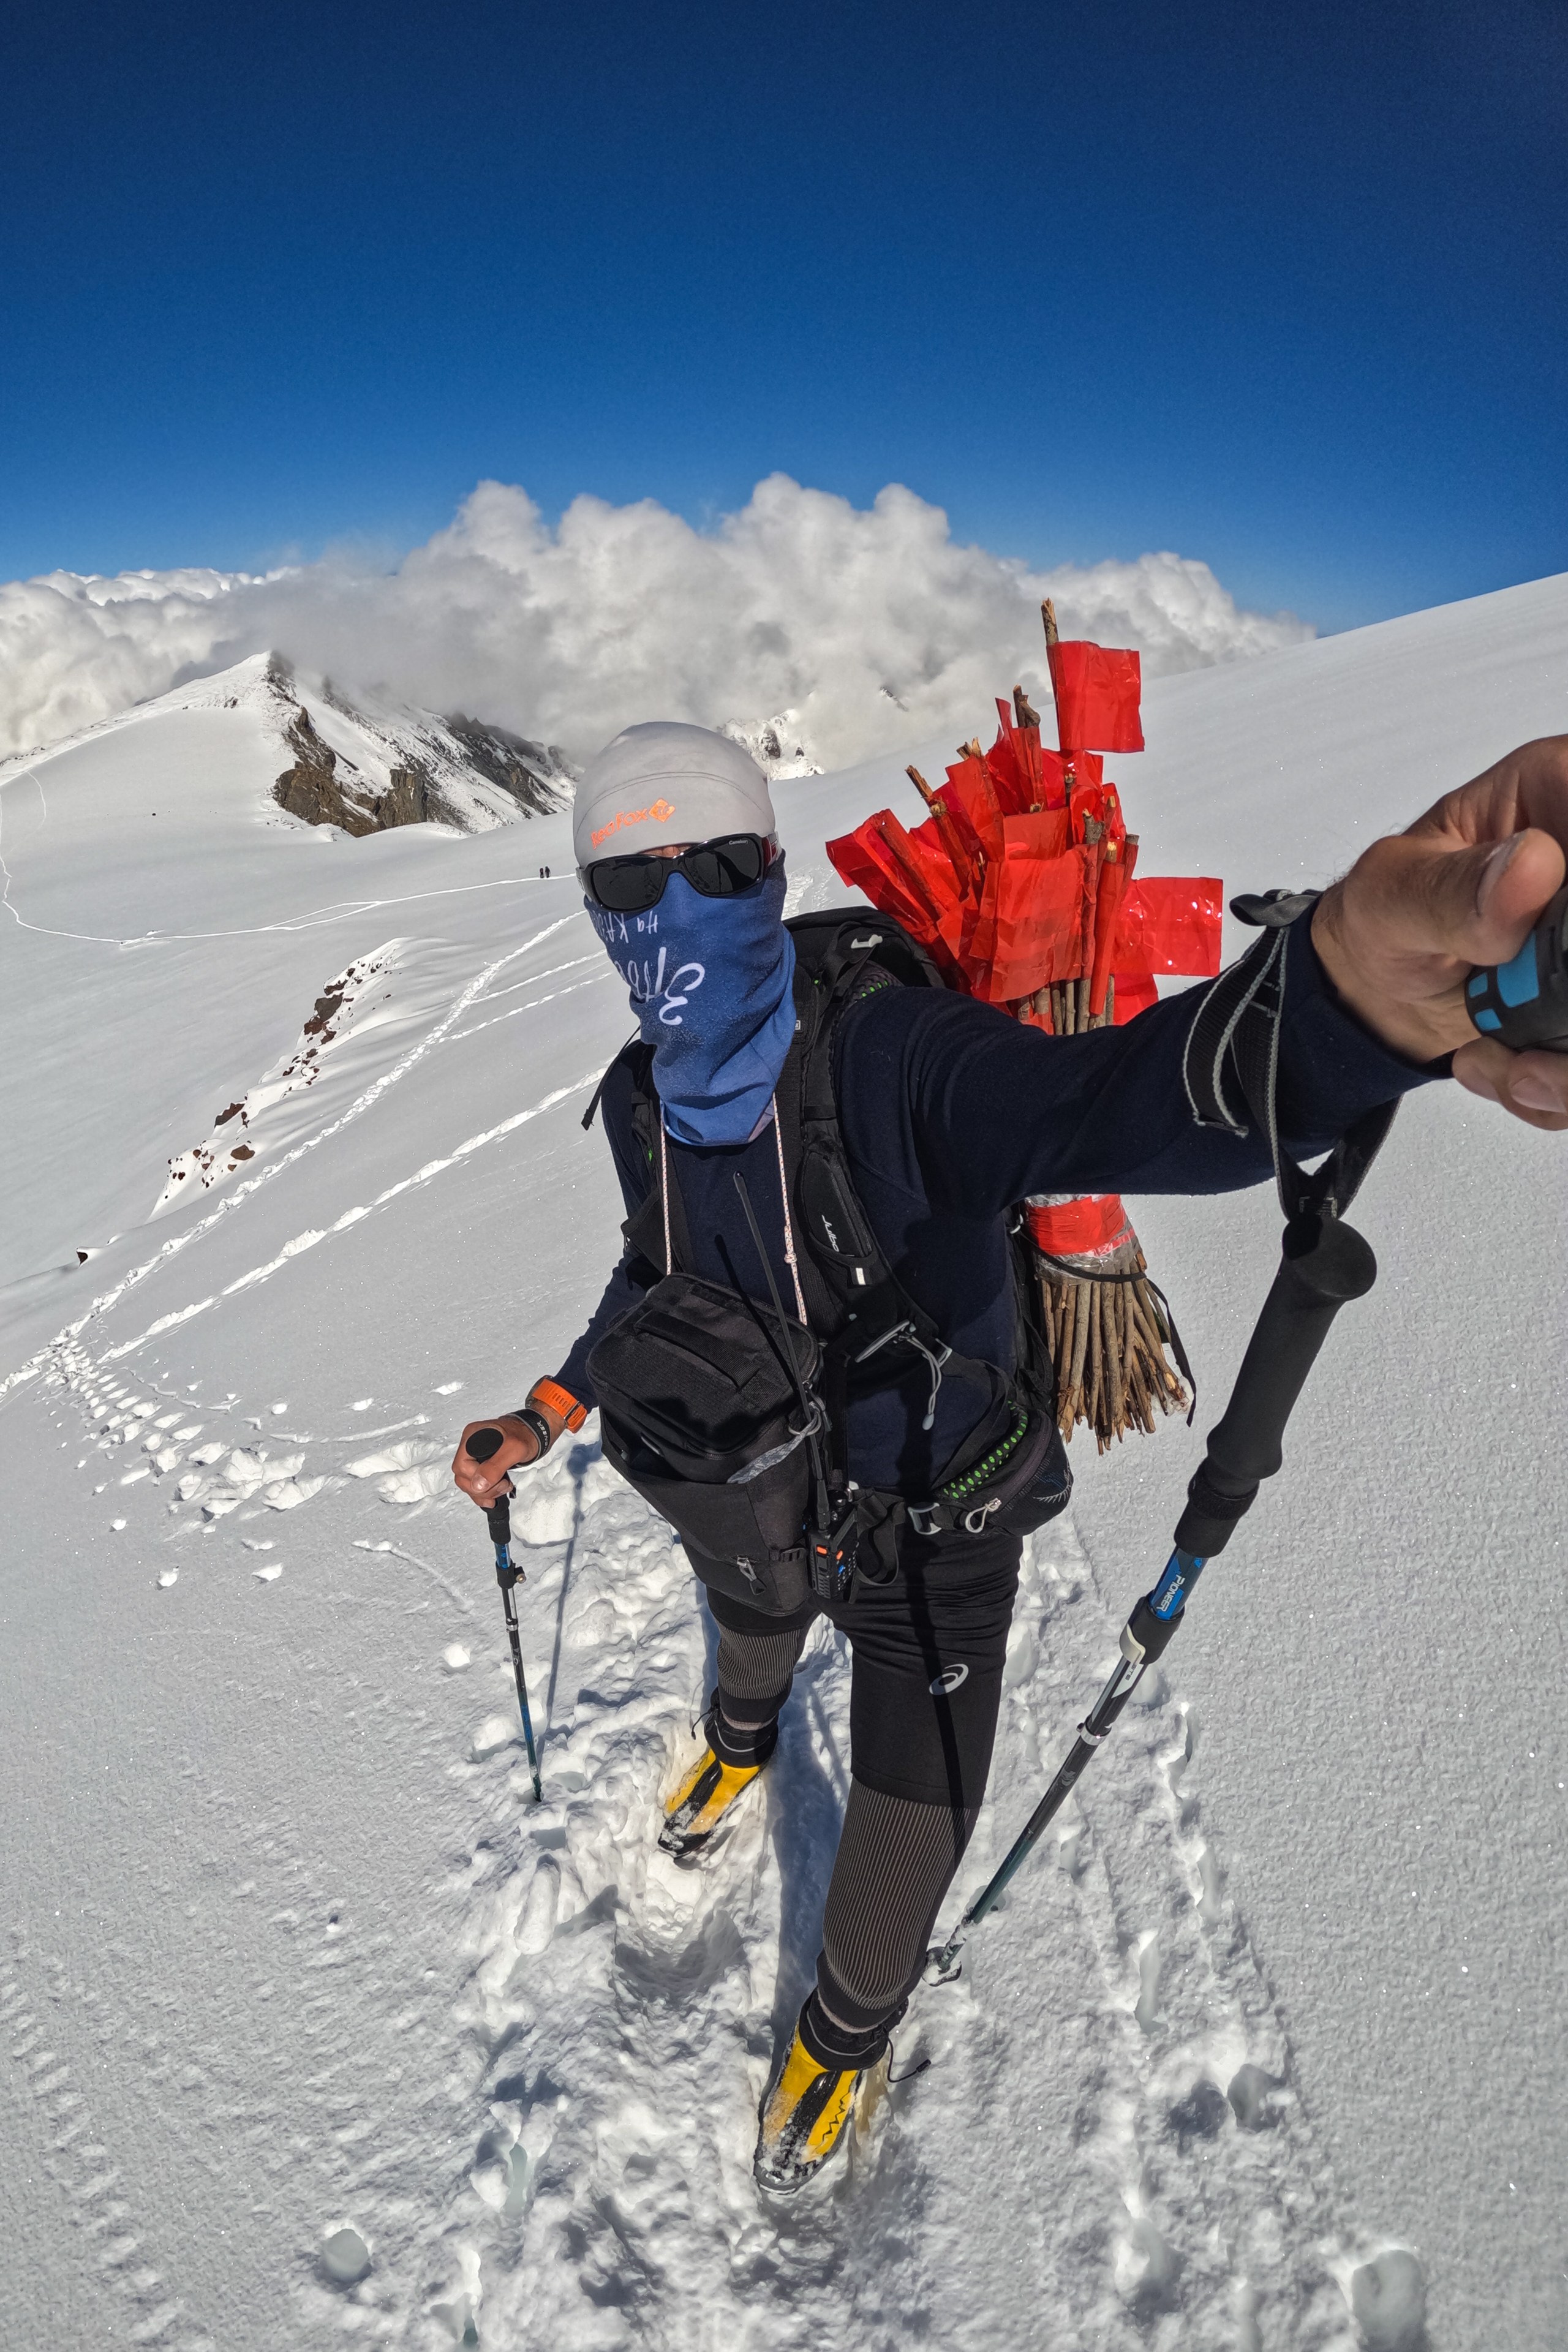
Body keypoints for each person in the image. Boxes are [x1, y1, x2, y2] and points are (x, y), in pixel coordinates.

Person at [453, 720, 1568, 2193]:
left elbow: (1109, 1100)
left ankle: (841, 2036)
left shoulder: (895, 1057)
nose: (675, 909)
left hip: (937, 1520)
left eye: (714, 864)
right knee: (752, 1625)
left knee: (915, 1791)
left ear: (771, 873)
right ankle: (736, 1754)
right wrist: (549, 1406)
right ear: (596, 914)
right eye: (632, 879)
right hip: (769, 1483)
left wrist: (1338, 1004)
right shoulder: (647, 1103)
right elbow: (656, 1273)